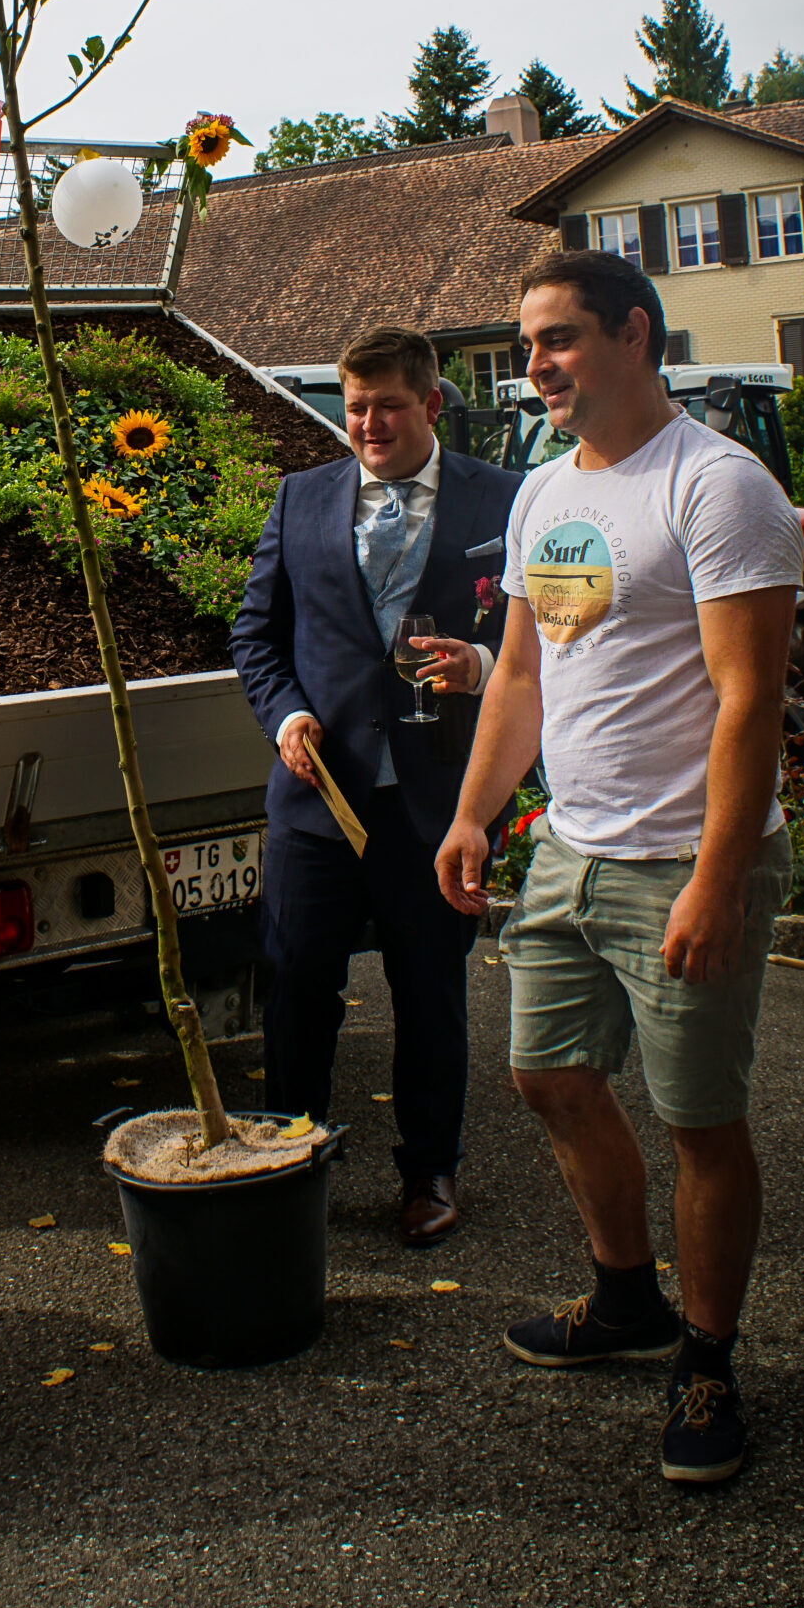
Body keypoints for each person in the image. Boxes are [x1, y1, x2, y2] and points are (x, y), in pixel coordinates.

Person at [436, 250, 804, 1486]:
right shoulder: (544, 491)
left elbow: (751, 700)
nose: (535, 364)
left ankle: (708, 1359)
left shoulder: (717, 484)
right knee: (547, 1075)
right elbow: (524, 672)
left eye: (558, 338)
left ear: (635, 333)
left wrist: (717, 877)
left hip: (685, 859)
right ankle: (626, 1296)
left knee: (701, 1120)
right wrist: (477, 813)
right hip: (571, 846)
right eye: (527, 344)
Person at [231, 326, 520, 1245]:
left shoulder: (505, 499)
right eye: (355, 409)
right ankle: (288, 1161)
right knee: (295, 989)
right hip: (320, 803)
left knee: (430, 994)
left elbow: (540, 638)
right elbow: (255, 637)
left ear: (430, 404)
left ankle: (429, 1170)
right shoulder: (300, 499)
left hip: (437, 803)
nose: (368, 425)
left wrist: (479, 664)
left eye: (387, 407)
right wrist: (285, 717)